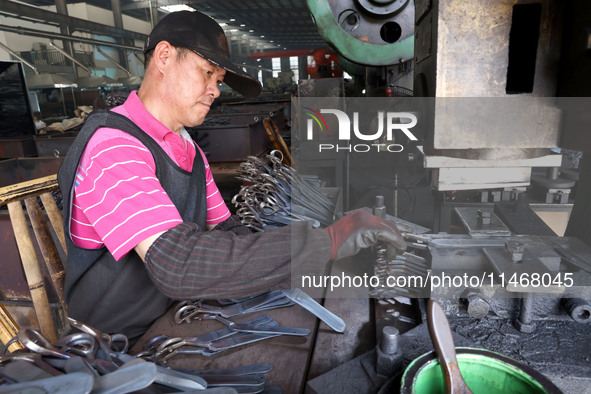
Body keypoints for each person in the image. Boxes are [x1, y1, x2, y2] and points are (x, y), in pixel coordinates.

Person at [57, 10, 407, 342]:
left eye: (219, 80)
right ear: (163, 57)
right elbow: (176, 264)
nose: (215, 89)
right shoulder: (114, 146)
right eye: (207, 72)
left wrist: (304, 254)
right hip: (114, 347)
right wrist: (324, 243)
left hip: (174, 317)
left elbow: (227, 232)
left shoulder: (186, 148)